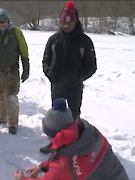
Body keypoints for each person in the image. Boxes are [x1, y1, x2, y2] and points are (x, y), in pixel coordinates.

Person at [14, 98, 129, 180]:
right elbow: (63, 154)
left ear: (54, 134)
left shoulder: (65, 165)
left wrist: (22, 179)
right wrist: (43, 166)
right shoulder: (88, 132)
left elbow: (61, 168)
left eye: (47, 133)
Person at [40, 1, 97, 153]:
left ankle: (73, 147)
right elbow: (46, 59)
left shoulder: (84, 41)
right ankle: (56, 145)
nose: (66, 26)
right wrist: (50, 73)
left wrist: (78, 77)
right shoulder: (54, 40)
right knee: (57, 118)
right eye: (64, 23)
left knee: (73, 118)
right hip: (57, 85)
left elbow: (91, 66)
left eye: (70, 23)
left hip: (74, 87)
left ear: (75, 22)